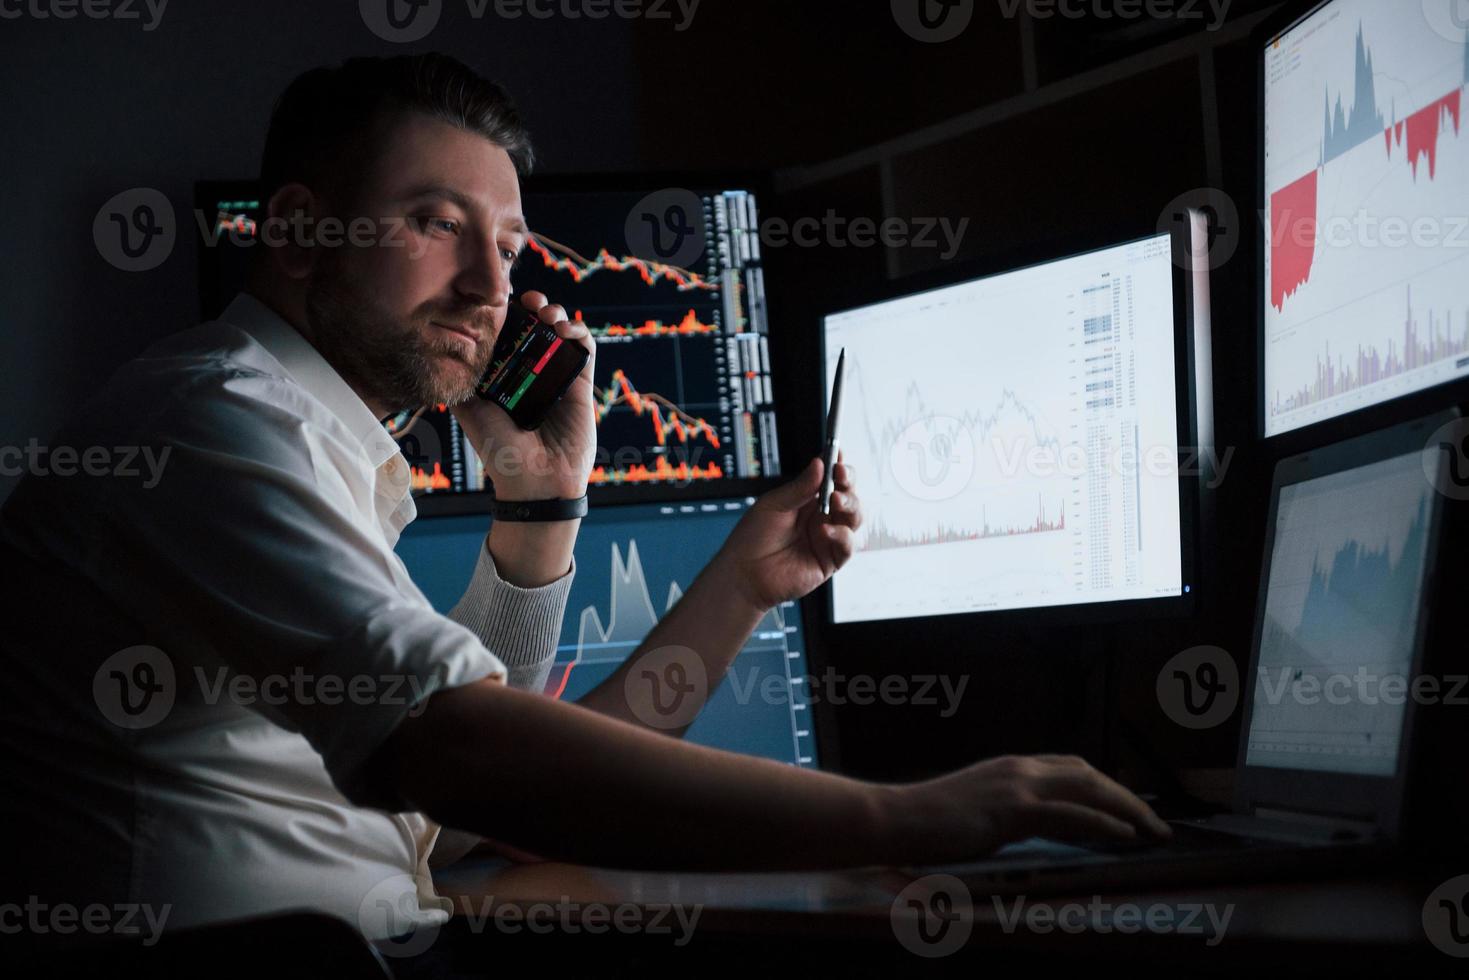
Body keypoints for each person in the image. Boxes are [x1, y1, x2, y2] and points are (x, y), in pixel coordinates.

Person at [0, 53, 1169, 948]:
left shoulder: (308, 442)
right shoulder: (212, 423)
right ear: (301, 233)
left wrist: (612, 533)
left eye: (507, 245)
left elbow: (463, 812)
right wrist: (903, 815)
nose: (489, 287)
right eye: (435, 223)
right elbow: (461, 753)